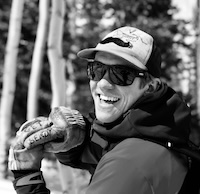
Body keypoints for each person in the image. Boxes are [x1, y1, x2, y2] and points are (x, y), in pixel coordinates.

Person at [8, 26, 200, 194]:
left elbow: (125, 160)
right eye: (96, 69)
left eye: (122, 74)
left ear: (150, 86)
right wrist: (79, 143)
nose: (103, 84)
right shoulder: (164, 132)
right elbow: (115, 147)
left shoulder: (129, 164)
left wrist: (27, 178)